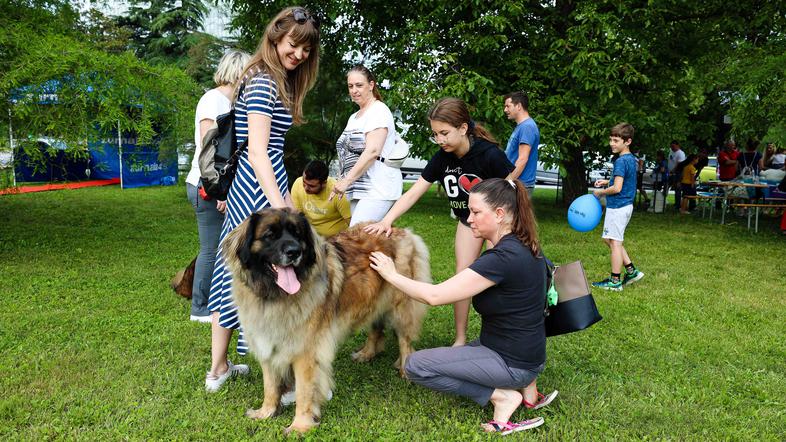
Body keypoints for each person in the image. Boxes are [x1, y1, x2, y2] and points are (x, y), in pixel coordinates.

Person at [369, 178, 557, 435]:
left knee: (415, 365)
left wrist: (391, 275)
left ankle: (502, 396)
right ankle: (528, 390)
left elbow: (434, 296)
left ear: (500, 214)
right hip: (523, 355)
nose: (469, 219)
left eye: (476, 212)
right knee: (452, 357)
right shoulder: (526, 244)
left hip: (511, 362)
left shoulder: (503, 258)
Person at [204, 6, 320, 392]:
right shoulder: (263, 82)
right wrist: (280, 207)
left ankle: (221, 368)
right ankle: (231, 370)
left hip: (263, 186)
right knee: (246, 275)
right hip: (256, 189)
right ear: (275, 37)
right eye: (294, 44)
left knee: (245, 276)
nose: (299, 55)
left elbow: (268, 152)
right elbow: (257, 151)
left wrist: (286, 198)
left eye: (306, 50)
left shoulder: (270, 80)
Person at [364, 97, 514, 347]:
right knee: (462, 277)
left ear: (463, 128)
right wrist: (387, 219)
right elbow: (414, 192)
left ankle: (499, 338)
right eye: (435, 134)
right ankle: (460, 338)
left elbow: (512, 191)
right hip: (468, 223)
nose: (440, 140)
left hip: (498, 225)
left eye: (444, 133)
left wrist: (507, 230)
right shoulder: (441, 159)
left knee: (497, 280)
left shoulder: (489, 155)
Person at [185, 50, 251, 324]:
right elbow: (209, 150)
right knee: (211, 248)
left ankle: (212, 301)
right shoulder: (213, 100)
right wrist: (220, 191)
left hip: (218, 186)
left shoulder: (230, 101)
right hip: (207, 186)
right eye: (249, 71)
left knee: (217, 247)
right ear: (239, 71)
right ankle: (199, 309)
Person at [331, 64, 402, 225]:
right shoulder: (354, 117)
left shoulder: (378, 111)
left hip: (378, 188)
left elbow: (372, 151)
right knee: (364, 243)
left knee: (356, 240)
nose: (354, 90)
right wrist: (342, 181)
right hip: (359, 189)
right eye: (350, 86)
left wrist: (346, 181)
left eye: (359, 85)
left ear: (371, 85)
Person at [591, 123, 644, 291]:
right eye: (611, 140)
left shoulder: (621, 161)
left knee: (614, 243)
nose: (612, 144)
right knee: (609, 239)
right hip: (625, 205)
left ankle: (615, 281)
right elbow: (623, 181)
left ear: (627, 141)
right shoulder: (630, 159)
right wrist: (607, 181)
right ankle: (631, 271)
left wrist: (601, 192)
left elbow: (617, 188)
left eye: (616, 140)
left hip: (618, 207)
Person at [291, 160, 351, 237]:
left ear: (324, 183)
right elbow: (296, 217)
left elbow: (352, 222)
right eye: (304, 182)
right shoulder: (297, 184)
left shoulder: (338, 193)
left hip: (336, 240)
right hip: (311, 237)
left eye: (311, 186)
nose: (306, 188)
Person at [502, 91, 540, 195]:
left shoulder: (527, 127)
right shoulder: (522, 126)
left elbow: (523, 159)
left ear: (518, 106)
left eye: (508, 106)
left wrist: (508, 182)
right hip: (517, 184)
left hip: (520, 185)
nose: (505, 110)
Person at [667, 141, 686, 209]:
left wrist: (672, 171)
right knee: (666, 186)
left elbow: (679, 165)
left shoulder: (681, 153)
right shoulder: (671, 152)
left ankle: (678, 205)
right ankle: (663, 200)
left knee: (677, 189)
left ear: (678, 145)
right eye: (671, 146)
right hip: (670, 173)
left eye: (673, 146)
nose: (672, 148)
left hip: (677, 174)